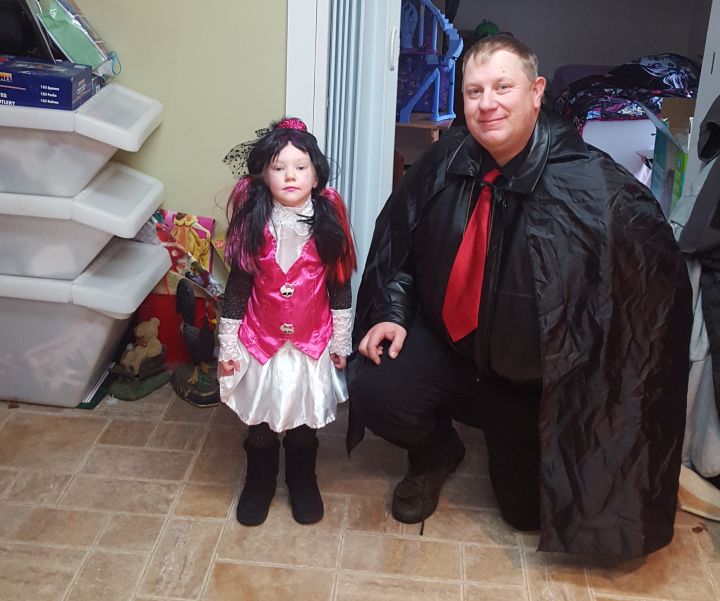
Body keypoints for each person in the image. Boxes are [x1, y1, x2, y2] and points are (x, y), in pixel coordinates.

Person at [347, 35, 692, 557]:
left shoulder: (593, 188)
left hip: (525, 378)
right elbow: (401, 251)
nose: (487, 104)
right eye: (474, 91)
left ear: (536, 92)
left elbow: (640, 300)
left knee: (526, 514)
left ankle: (508, 435)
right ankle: (436, 453)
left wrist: (582, 389)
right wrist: (393, 312)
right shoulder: (443, 161)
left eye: (502, 87)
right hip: (448, 347)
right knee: (377, 389)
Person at [218, 117, 356, 526]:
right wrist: (228, 345)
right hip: (261, 343)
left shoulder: (328, 225)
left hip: (310, 344)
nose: (290, 175)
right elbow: (237, 289)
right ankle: (259, 481)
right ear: (264, 174)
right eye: (279, 167)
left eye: (300, 167)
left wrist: (340, 342)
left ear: (316, 175)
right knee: (261, 417)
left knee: (302, 419)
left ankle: (302, 479)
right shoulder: (253, 225)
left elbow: (340, 287)